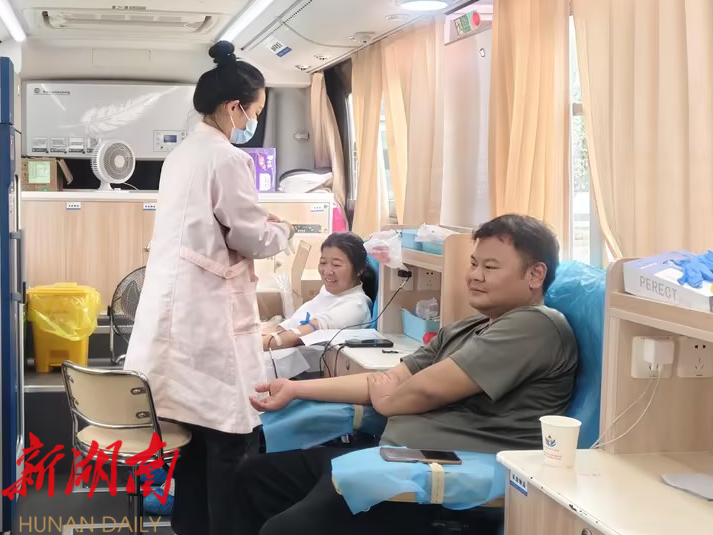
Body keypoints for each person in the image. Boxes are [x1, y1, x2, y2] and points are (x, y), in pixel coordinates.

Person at [233, 214, 579, 535]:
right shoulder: (469, 327)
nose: (474, 275)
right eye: (474, 263)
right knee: (254, 478)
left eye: (490, 267)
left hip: (441, 477)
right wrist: (295, 389)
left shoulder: (534, 326)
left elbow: (422, 391)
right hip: (395, 456)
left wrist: (389, 401)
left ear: (535, 274)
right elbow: (391, 380)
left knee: (284, 529)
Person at [122, 40, 294, 535]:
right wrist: (281, 229)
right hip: (208, 319)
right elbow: (250, 235)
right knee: (229, 442)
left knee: (193, 444)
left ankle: (191, 526)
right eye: (254, 112)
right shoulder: (226, 158)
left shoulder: (181, 155)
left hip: (176, 310)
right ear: (234, 107)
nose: (253, 121)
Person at [261, 232, 376, 378]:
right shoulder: (329, 293)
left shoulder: (354, 307)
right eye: (323, 262)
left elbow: (296, 336)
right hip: (283, 361)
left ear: (359, 270)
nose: (327, 271)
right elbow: (287, 326)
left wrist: (248, 344)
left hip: (302, 375)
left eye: (336, 265)